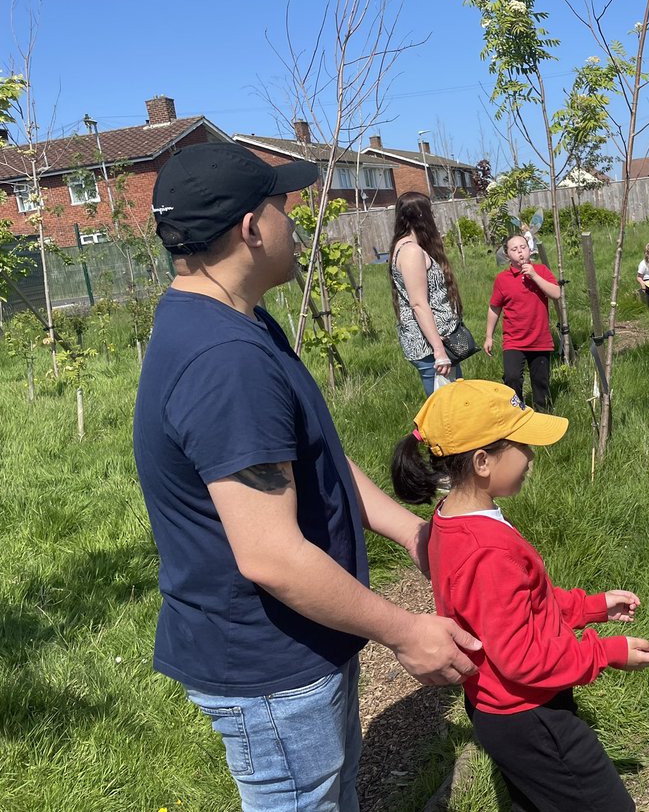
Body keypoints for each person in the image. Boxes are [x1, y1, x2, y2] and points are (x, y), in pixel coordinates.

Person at [133, 143, 479, 812]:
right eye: (282, 207)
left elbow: (311, 453)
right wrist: (407, 633)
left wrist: (411, 532)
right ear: (249, 229)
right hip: (269, 667)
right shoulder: (225, 361)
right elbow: (271, 556)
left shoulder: (233, 319)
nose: (293, 222)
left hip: (294, 645)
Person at [391, 379, 649, 812]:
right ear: (481, 461)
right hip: (529, 714)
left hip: (500, 707)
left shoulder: (453, 522)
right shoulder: (487, 551)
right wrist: (605, 653)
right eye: (522, 445)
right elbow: (521, 658)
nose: (531, 456)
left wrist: (590, 607)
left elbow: (524, 606)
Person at [390, 191, 467, 396]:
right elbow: (418, 304)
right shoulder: (410, 251)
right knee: (445, 414)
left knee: (454, 407)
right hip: (430, 348)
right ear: (422, 216)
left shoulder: (409, 246)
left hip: (438, 342)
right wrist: (439, 351)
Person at [485, 234, 561, 412]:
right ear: (507, 255)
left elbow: (556, 293)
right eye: (514, 249)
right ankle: (516, 413)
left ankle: (543, 417)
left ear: (529, 249)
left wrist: (534, 276)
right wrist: (489, 336)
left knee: (540, 383)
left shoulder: (540, 271)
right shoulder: (502, 280)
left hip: (539, 339)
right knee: (512, 378)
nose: (520, 252)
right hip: (514, 340)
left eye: (523, 247)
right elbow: (494, 308)